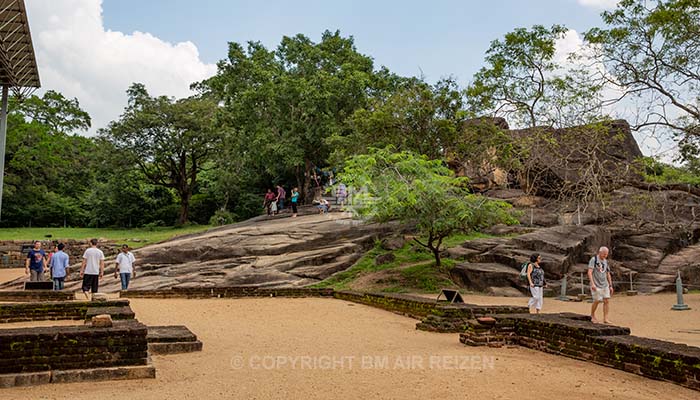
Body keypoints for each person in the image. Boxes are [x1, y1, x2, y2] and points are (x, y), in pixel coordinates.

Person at [588, 246, 613, 324]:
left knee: (606, 300)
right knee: (597, 300)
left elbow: (608, 273)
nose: (605, 256)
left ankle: (605, 318)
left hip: (604, 284)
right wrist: (592, 283)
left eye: (606, 254)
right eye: (604, 254)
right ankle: (592, 315)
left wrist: (610, 285)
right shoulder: (594, 260)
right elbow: (589, 272)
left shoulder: (605, 261)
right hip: (596, 284)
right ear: (600, 252)